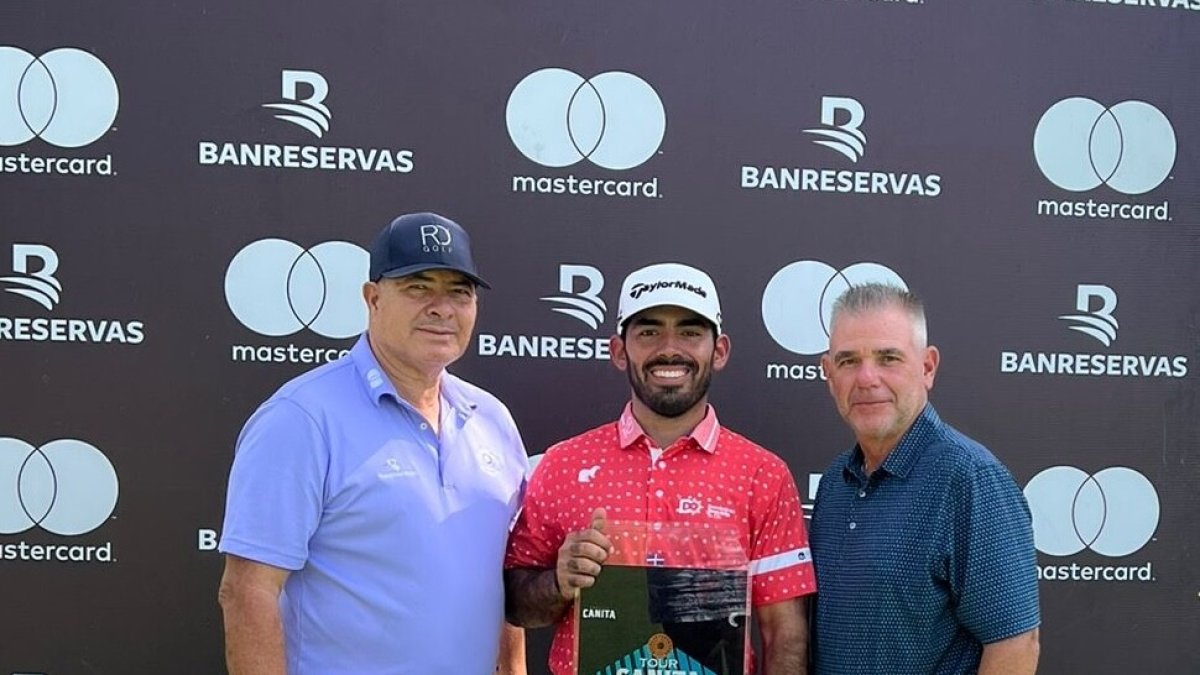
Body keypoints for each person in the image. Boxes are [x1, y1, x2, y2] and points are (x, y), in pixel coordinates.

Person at [217, 212, 528, 675]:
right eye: (419, 287)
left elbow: (500, 582)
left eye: (459, 292)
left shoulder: (492, 419)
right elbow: (248, 592)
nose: (441, 308)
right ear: (373, 298)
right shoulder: (302, 417)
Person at [504, 262, 816, 675]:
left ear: (718, 350)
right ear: (618, 350)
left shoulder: (762, 475)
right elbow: (516, 605)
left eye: (689, 331)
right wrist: (558, 583)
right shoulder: (564, 464)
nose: (669, 348)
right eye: (649, 331)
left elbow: (785, 637)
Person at [810, 282, 1040, 674]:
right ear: (829, 374)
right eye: (848, 361)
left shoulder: (970, 480)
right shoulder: (835, 483)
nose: (867, 378)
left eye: (888, 358)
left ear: (927, 367)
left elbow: (1016, 647)